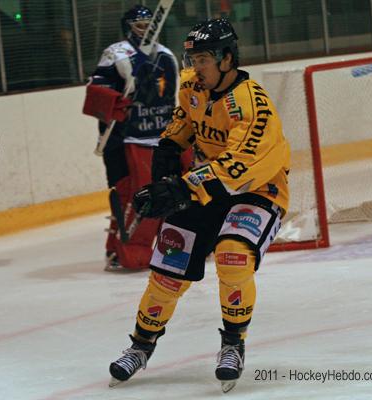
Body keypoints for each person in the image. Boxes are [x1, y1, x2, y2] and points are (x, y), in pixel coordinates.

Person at [108, 18, 291, 392]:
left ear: (227, 59)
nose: (195, 67)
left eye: (203, 59)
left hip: (257, 190)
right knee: (168, 267)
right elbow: (183, 126)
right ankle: (141, 345)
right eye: (192, 59)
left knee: (233, 255)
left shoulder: (252, 104)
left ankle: (233, 344)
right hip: (204, 187)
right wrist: (167, 154)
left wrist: (180, 188)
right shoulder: (193, 86)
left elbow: (237, 168)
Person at [83, 4, 186, 271]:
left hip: (160, 138)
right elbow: (95, 91)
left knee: (172, 192)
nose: (146, 31)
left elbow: (170, 99)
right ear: (128, 27)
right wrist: (115, 101)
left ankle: (177, 244)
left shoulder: (166, 55)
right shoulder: (115, 54)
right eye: (140, 26)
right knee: (131, 194)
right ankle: (123, 251)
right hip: (125, 140)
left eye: (150, 25)